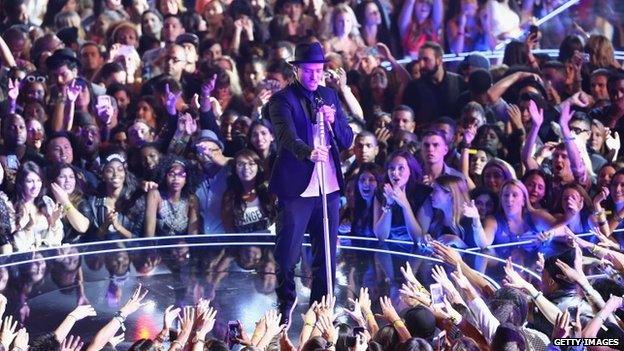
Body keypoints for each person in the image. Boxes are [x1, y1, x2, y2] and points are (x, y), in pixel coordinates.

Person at [266, 41, 354, 324]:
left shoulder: (329, 95)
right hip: (297, 188)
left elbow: (347, 139)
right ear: (296, 70)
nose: (315, 77)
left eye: (319, 71)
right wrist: (308, 151)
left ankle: (322, 308)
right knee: (288, 254)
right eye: (309, 71)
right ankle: (285, 304)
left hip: (327, 187)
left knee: (326, 254)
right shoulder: (282, 100)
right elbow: (286, 138)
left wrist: (332, 122)